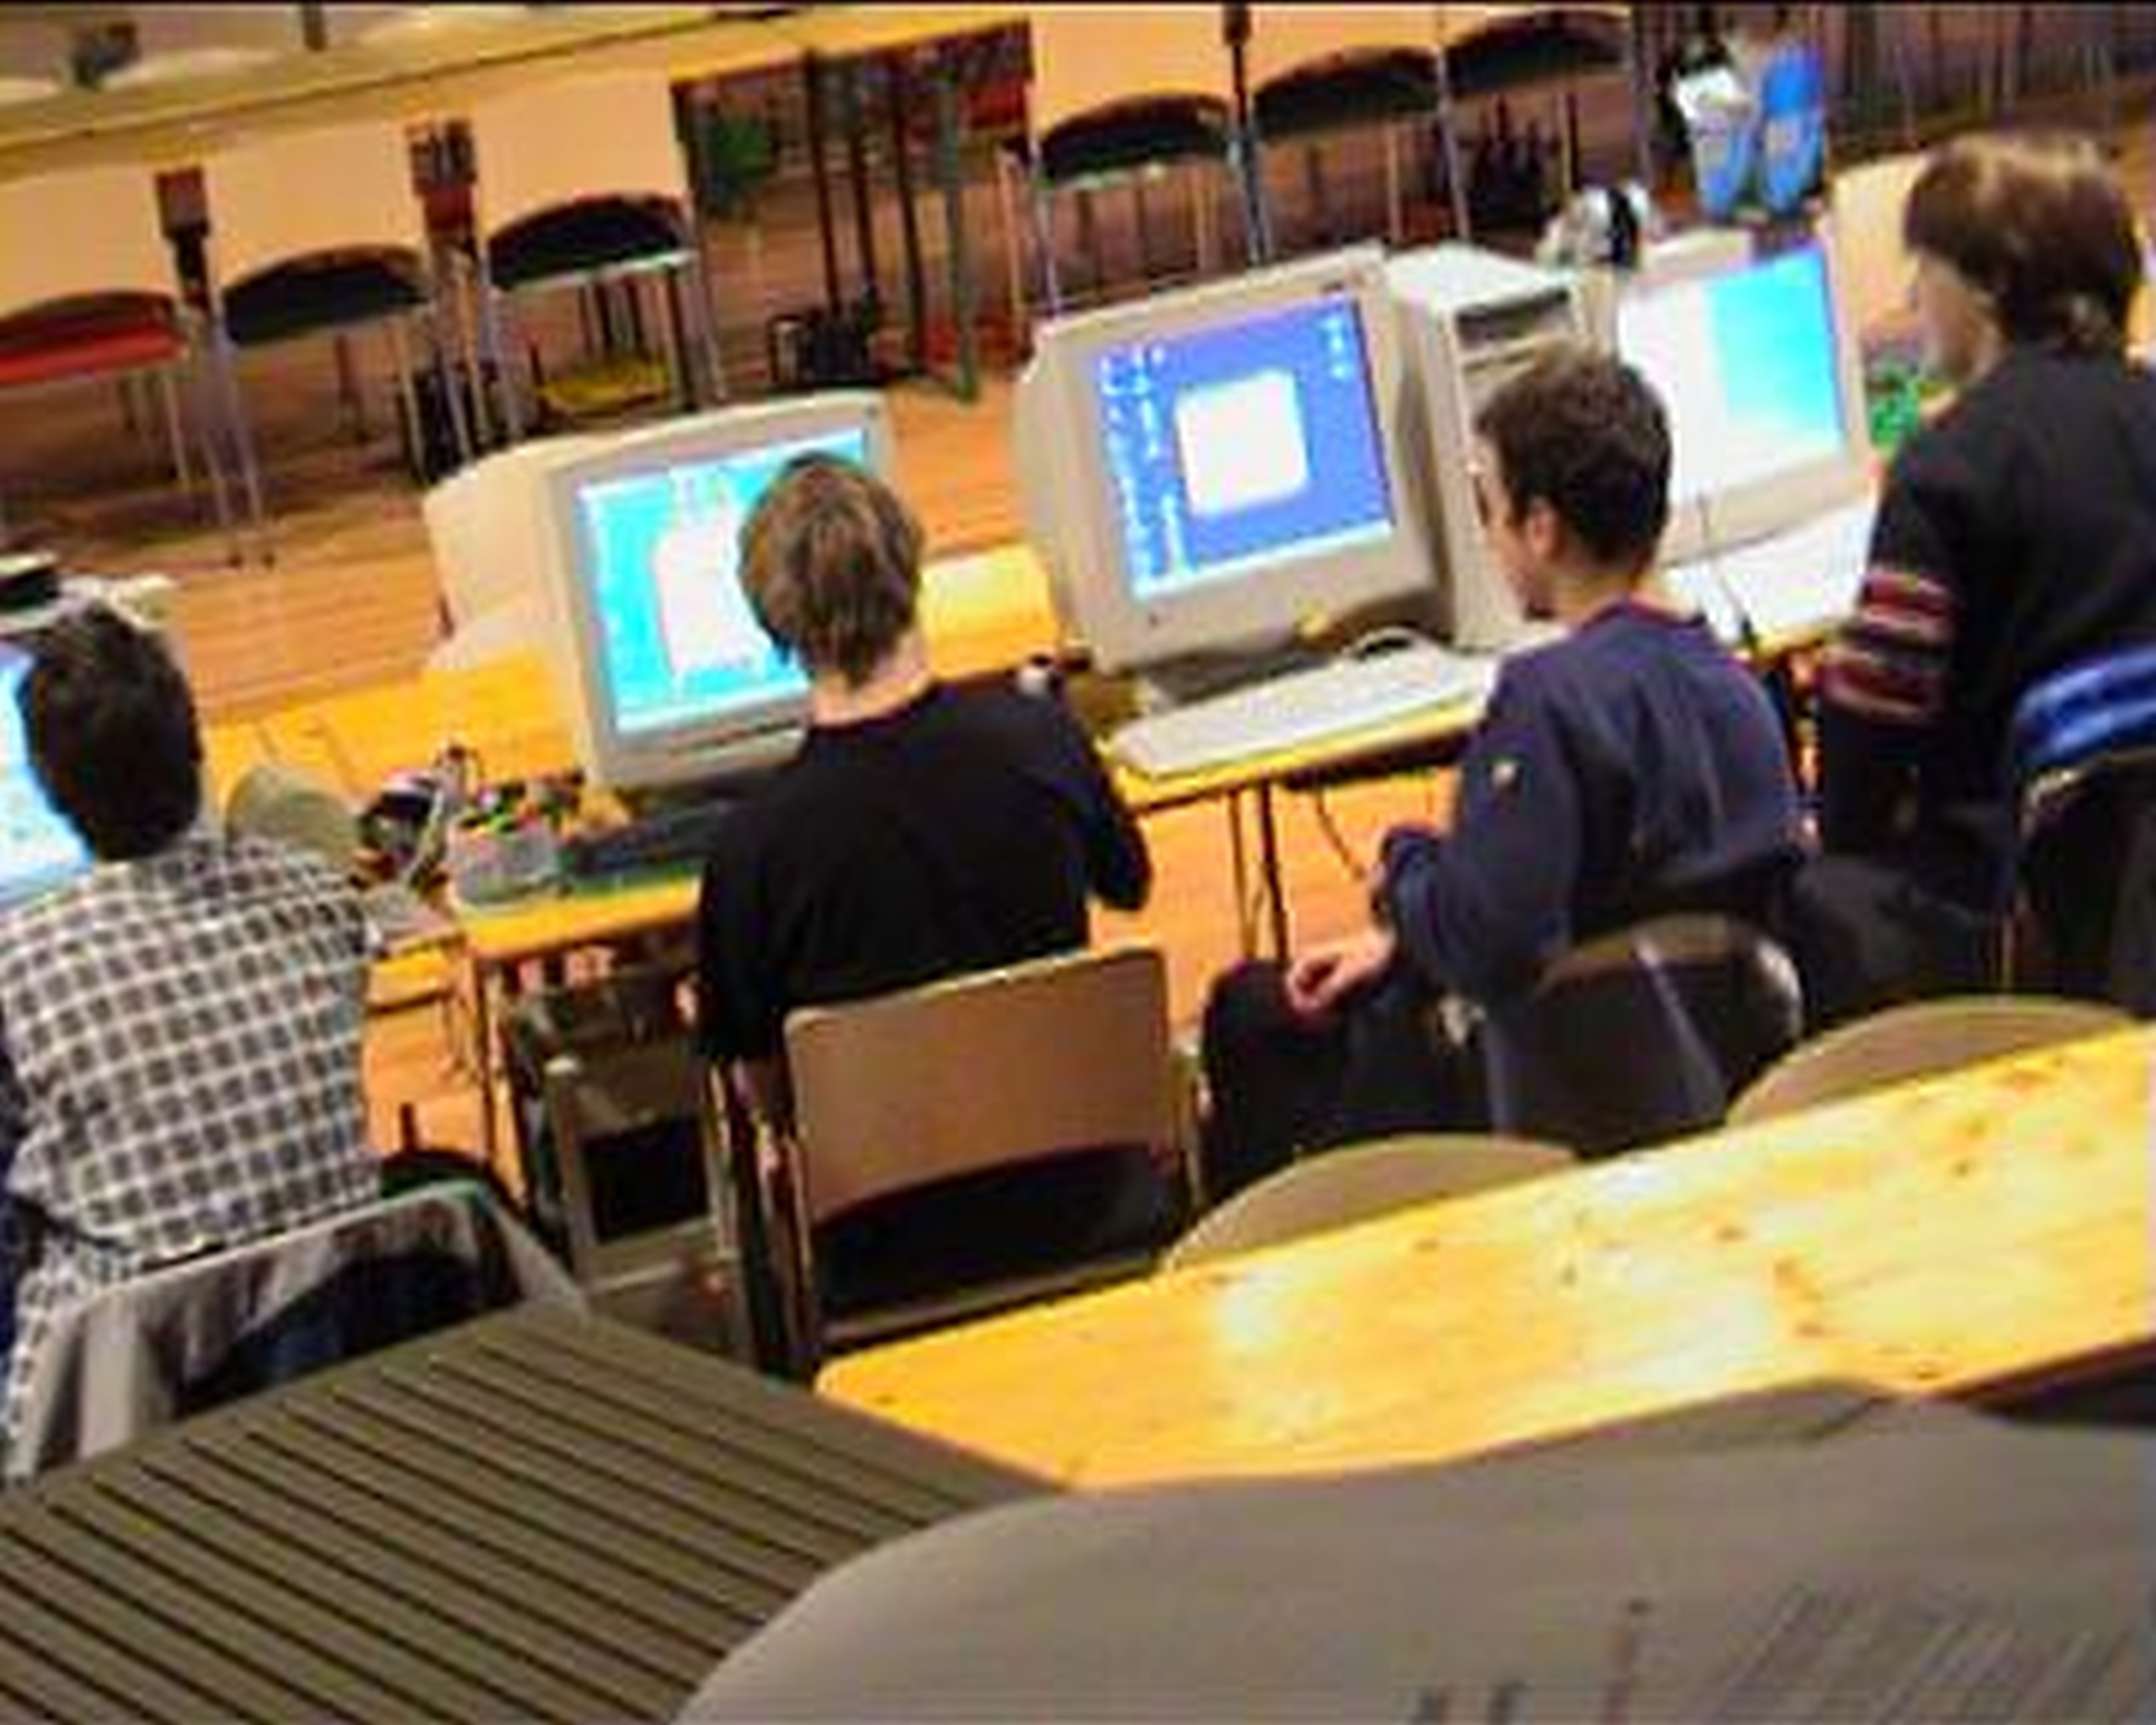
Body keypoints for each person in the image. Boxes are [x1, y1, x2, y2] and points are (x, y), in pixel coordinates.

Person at [1203, 350, 1805, 1194]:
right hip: (1705, 1089)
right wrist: (1405, 938)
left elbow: (1493, 945)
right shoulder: (1741, 689)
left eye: (1488, 506)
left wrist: (1403, 870)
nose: (1485, 535)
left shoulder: (1546, 702)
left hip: (1546, 1093)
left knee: (1252, 1013)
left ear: (1541, 526)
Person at [696, 457, 1161, 1321]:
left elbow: (770, 1098)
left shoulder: (750, 849)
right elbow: (1128, 885)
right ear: (912, 573)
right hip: (1084, 1194)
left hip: (881, 1242)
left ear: (776, 628)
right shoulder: (1042, 738)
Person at [0, 606, 378, 1454]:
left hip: (116, 1417)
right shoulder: (320, 896)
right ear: (198, 746)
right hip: (336, 1364)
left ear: (52, 794)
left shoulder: (17, 963)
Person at [1802, 133, 2156, 1023]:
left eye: (1926, 268)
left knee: (1822, 894)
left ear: (1990, 285)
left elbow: (1866, 758)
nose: (1912, 298)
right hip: (2122, 900)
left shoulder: (1946, 469)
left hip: (2033, 911)